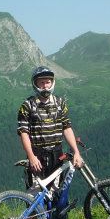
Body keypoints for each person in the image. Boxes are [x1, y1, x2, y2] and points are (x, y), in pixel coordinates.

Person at [16, 66, 83, 209]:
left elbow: (67, 127)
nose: (45, 86)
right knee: (34, 193)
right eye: (41, 82)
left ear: (52, 83)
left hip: (56, 154)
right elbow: (23, 132)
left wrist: (76, 151)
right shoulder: (27, 105)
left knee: (54, 191)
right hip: (37, 155)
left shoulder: (60, 103)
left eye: (47, 82)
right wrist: (31, 156)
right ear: (35, 84)